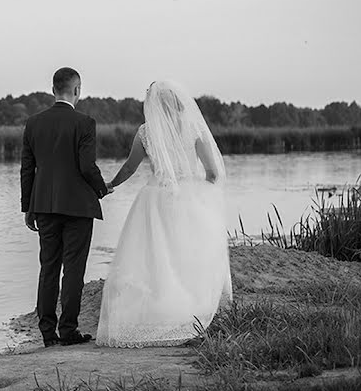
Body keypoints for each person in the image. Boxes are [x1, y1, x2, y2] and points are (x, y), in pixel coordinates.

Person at [96, 80, 233, 347]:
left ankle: (161, 308)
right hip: (189, 197)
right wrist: (201, 192)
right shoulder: (193, 128)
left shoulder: (146, 133)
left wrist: (110, 185)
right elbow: (213, 173)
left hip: (155, 198)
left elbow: (130, 167)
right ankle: (194, 306)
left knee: (157, 255)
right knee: (189, 252)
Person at [21, 67, 111, 347]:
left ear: (52, 90)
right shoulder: (85, 123)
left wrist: (28, 207)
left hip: (44, 206)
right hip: (78, 207)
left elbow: (27, 168)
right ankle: (68, 330)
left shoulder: (33, 123)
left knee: (48, 268)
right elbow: (86, 166)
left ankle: (47, 333)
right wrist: (101, 188)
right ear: (77, 90)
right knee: (73, 269)